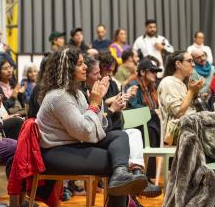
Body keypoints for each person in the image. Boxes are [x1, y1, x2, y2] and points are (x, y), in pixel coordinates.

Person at [37, 47, 147, 207]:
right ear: (68, 68)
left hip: (74, 144)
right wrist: (94, 103)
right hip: (54, 153)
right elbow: (84, 132)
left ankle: (122, 175)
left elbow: (97, 124)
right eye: (80, 64)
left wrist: (99, 100)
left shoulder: (77, 93)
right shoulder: (59, 97)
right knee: (114, 162)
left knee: (120, 136)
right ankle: (125, 185)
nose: (85, 67)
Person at [84, 56, 162, 200]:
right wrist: (112, 108)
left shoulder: (101, 87)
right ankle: (136, 184)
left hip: (104, 130)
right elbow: (90, 124)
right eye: (97, 73)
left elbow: (101, 119)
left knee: (134, 132)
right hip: (91, 137)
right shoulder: (85, 92)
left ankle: (138, 175)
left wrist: (117, 106)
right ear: (85, 73)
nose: (101, 75)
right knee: (126, 136)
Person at [157, 51, 204, 145]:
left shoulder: (182, 83)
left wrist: (195, 92)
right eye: (189, 61)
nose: (193, 64)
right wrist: (191, 91)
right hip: (177, 131)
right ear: (178, 64)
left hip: (190, 125)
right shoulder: (168, 82)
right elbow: (179, 112)